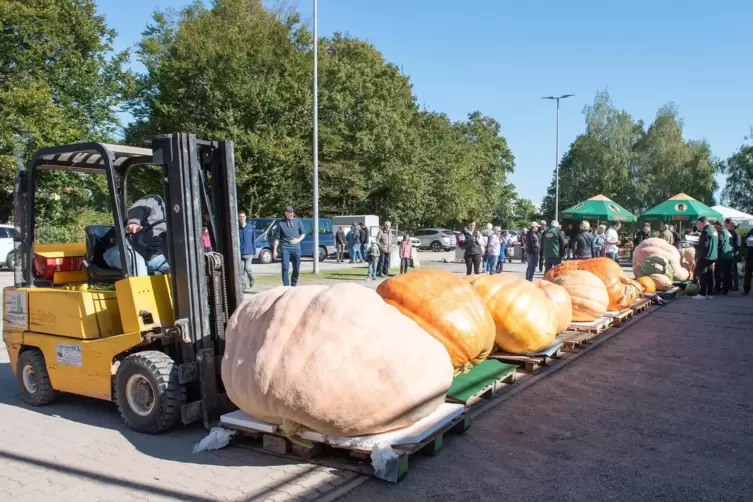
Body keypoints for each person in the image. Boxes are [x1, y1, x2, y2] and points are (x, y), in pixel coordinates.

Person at [103, 194, 169, 276]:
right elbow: (139, 209)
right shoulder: (155, 200)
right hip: (122, 249)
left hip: (152, 258)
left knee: (180, 264)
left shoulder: (179, 216)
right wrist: (133, 223)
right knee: (137, 262)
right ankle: (143, 288)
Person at [272, 206, 306, 287]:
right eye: (290, 212)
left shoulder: (298, 221)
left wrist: (298, 240)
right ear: (285, 213)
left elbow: (303, 234)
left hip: (296, 248)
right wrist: (274, 250)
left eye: (292, 212)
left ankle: (293, 285)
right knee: (285, 267)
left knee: (296, 268)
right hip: (285, 247)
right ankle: (286, 286)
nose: (291, 213)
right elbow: (277, 238)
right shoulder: (280, 223)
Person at [693, 216, 718, 300]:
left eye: (699, 224)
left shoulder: (706, 231)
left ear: (703, 222)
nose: (698, 226)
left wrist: (695, 245)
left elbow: (704, 245)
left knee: (703, 274)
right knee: (710, 275)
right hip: (713, 255)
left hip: (705, 256)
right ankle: (709, 293)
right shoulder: (713, 230)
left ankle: (702, 293)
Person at [713, 221, 733, 296]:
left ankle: (718, 289)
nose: (714, 228)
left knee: (718, 273)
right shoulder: (727, 232)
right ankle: (726, 288)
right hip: (729, 255)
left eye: (715, 226)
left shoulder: (720, 232)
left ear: (718, 226)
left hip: (722, 256)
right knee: (727, 273)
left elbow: (719, 243)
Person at [238, 212, 255, 292]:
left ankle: (252, 279)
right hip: (240, 253)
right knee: (241, 271)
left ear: (245, 217)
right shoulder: (237, 228)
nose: (242, 218)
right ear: (238, 218)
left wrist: (254, 250)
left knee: (248, 268)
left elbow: (253, 240)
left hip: (249, 252)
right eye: (240, 217)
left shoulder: (250, 227)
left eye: (243, 216)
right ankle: (243, 286)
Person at [726, 219, 740, 292]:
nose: (728, 226)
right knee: (730, 271)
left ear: (733, 226)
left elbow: (738, 245)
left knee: (734, 271)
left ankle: (736, 285)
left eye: (730, 225)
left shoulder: (736, 234)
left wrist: (734, 253)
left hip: (733, 254)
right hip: (729, 254)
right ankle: (730, 285)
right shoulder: (729, 233)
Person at [743, 226, 753, 296]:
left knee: (748, 273)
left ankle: (746, 289)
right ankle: (746, 289)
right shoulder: (752, 230)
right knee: (748, 273)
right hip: (750, 256)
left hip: (750, 256)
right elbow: (745, 239)